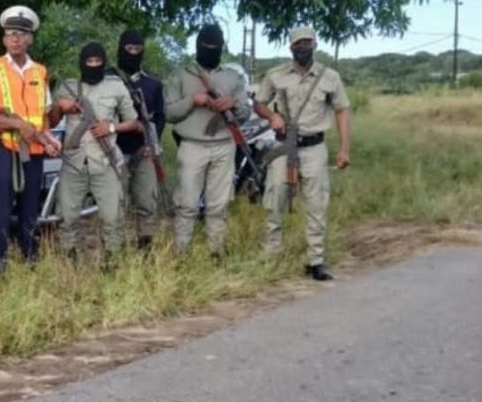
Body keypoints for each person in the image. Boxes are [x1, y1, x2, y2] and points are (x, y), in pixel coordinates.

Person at [253, 26, 352, 281]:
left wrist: (343, 149)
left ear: (315, 45)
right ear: (290, 47)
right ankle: (271, 254)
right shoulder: (276, 75)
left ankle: (315, 260)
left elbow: (342, 111)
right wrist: (272, 115)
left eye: (307, 43)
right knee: (275, 198)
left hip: (314, 147)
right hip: (283, 145)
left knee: (317, 202)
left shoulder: (330, 77)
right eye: (298, 43)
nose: (303, 47)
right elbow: (259, 103)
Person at [0, 5, 61, 277]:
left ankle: (30, 259)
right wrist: (16, 125)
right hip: (6, 149)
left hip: (34, 152)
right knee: (0, 209)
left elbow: (44, 116)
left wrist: (48, 140)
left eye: (22, 34)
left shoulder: (40, 71)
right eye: (11, 33)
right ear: (4, 39)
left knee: (30, 210)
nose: (16, 39)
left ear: (30, 38)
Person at [164, 23, 249, 260]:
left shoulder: (233, 78)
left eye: (215, 46)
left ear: (221, 47)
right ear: (198, 45)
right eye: (206, 46)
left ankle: (216, 251)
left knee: (218, 204)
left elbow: (245, 114)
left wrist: (232, 104)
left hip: (224, 145)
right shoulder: (181, 75)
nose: (210, 50)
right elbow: (169, 113)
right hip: (192, 145)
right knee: (187, 203)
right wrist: (193, 100)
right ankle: (181, 253)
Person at [50, 42, 139, 263]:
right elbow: (49, 122)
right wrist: (60, 106)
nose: (93, 65)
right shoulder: (68, 87)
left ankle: (111, 262)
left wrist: (110, 127)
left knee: (112, 218)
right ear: (82, 63)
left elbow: (134, 122)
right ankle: (68, 262)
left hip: (105, 161)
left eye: (98, 62)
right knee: (66, 218)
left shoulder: (116, 87)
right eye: (89, 62)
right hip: (74, 163)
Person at [113, 28, 166, 250]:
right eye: (129, 48)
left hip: (143, 151)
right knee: (116, 203)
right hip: (114, 152)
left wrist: (150, 146)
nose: (133, 53)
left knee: (146, 202)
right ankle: (115, 248)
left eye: (137, 49)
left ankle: (145, 247)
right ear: (121, 49)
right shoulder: (108, 80)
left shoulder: (153, 84)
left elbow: (160, 118)